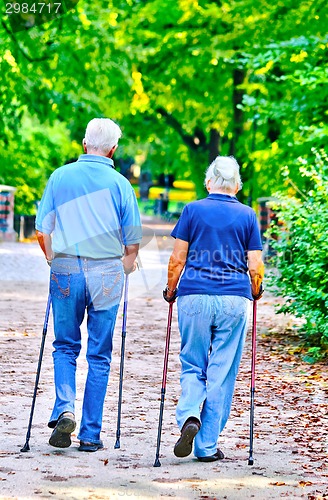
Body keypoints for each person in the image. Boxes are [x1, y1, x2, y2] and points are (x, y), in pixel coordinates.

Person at [35, 118, 142, 452]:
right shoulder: (121, 184)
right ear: (113, 149)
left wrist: (54, 260)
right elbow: (133, 243)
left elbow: (42, 230)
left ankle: (65, 406)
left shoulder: (60, 176)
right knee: (99, 354)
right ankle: (91, 435)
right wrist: (125, 266)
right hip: (107, 271)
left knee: (65, 345)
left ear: (84, 144)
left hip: (66, 267)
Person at [163, 155, 264, 462]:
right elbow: (256, 264)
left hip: (194, 296)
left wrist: (170, 289)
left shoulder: (192, 210)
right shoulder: (248, 216)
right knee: (221, 372)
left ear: (209, 183)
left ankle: (190, 415)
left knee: (193, 363)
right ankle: (207, 446)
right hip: (233, 299)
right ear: (237, 185)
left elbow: (178, 258)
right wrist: (256, 290)